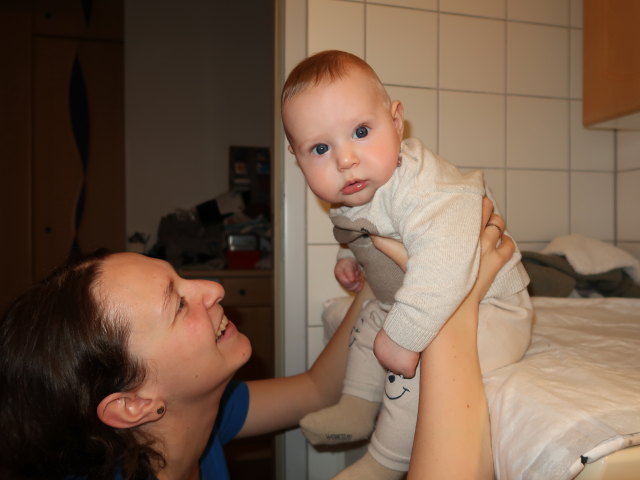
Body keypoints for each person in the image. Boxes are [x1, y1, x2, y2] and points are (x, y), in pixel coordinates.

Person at [0, 198, 507, 480]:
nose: (213, 289)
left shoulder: (187, 424)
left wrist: (383, 275)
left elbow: (317, 390)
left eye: (181, 277)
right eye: (178, 303)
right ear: (133, 405)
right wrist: (453, 309)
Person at [281, 49, 533, 479]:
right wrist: (350, 256)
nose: (345, 159)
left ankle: (385, 462)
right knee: (368, 324)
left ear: (396, 122)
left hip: (490, 308)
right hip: (420, 294)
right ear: (297, 157)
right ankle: (356, 406)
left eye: (361, 131)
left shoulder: (425, 188)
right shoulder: (356, 192)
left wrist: (405, 335)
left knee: (411, 361)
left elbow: (446, 261)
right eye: (320, 148)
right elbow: (358, 228)